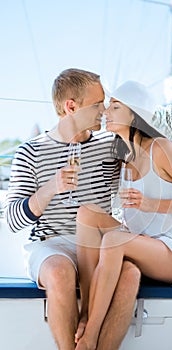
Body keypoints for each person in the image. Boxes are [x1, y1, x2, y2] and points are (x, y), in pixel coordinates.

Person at [5, 70, 141, 350]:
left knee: (131, 274)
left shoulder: (110, 145)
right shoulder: (31, 152)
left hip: (100, 243)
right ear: (71, 106)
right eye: (97, 104)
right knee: (59, 273)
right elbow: (12, 220)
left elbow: (143, 170)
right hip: (52, 244)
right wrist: (51, 188)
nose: (104, 110)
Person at [75, 80, 172, 350]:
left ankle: (89, 335)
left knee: (114, 241)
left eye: (115, 107)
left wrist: (151, 204)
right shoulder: (122, 155)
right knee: (87, 214)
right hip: (145, 241)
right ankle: (85, 314)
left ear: (134, 114)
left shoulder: (161, 149)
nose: (106, 112)